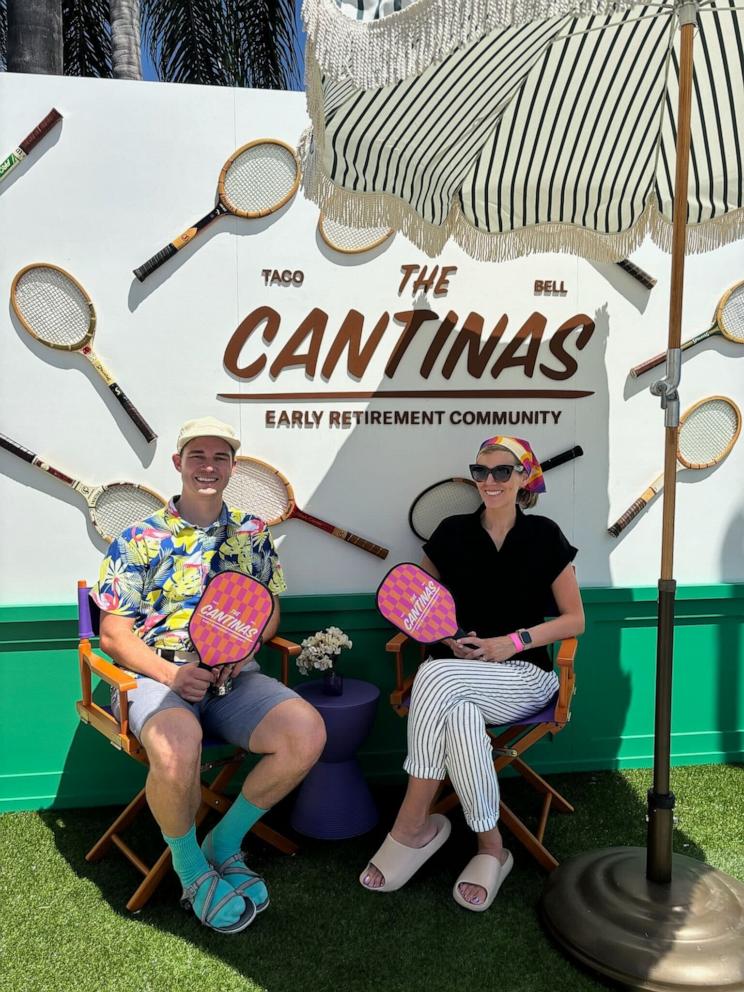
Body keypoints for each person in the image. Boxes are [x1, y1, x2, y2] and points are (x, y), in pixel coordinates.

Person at [91, 416, 326, 933]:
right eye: (197, 455)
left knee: (306, 732)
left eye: (220, 457)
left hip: (234, 678)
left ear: (232, 468)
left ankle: (223, 842)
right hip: (155, 677)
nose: (208, 467)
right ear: (178, 463)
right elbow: (112, 635)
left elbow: (270, 612)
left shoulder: (253, 532)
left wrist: (245, 649)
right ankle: (191, 869)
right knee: (179, 746)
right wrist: (171, 676)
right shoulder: (138, 537)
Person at [360, 435, 584, 912]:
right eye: (481, 471)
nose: (490, 481)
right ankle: (491, 847)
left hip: (526, 676)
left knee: (436, 679)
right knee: (457, 710)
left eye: (503, 471)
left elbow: (574, 620)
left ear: (524, 477)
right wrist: (447, 639)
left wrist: (513, 641)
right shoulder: (451, 531)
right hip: (458, 674)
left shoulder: (544, 534)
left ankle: (410, 825)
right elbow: (415, 604)